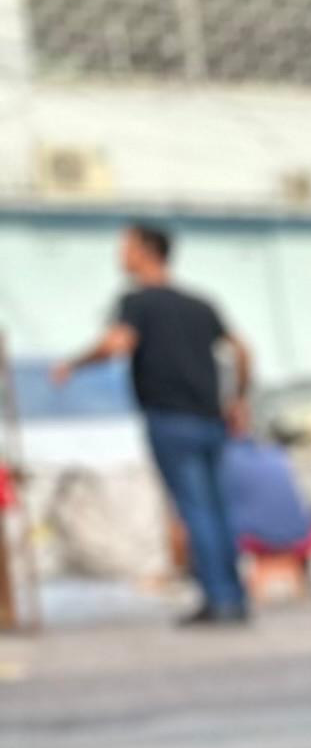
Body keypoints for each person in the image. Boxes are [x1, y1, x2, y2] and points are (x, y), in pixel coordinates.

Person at [63, 224, 254, 626]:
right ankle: (233, 596)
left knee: (196, 510)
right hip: (210, 418)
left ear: (147, 252)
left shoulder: (138, 302)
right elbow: (241, 350)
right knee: (217, 509)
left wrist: (73, 364)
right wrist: (237, 399)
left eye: (126, 248)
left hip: (171, 417)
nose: (121, 256)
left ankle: (219, 599)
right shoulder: (200, 303)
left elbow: (117, 344)